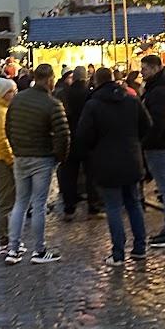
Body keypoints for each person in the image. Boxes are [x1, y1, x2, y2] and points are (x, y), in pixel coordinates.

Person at [75, 67, 149, 267]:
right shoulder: (131, 100)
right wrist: (134, 142)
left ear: (96, 82)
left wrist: (94, 149)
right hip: (132, 159)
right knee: (133, 203)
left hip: (106, 162)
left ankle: (118, 253)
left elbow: (83, 136)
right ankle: (140, 247)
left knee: (114, 207)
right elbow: (147, 125)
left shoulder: (93, 105)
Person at [4, 63, 69, 265]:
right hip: (42, 157)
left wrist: (16, 148)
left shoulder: (18, 99)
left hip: (21, 156)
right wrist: (59, 157)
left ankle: (13, 249)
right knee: (39, 204)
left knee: (20, 203)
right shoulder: (52, 104)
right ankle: (38, 250)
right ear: (50, 79)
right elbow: (63, 135)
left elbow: (9, 127)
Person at [140, 55, 165, 247]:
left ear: (155, 69)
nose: (142, 72)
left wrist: (146, 140)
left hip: (159, 144)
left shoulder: (159, 91)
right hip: (159, 143)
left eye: (145, 68)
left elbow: (157, 122)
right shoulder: (157, 88)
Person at [59, 66, 99, 220]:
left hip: (70, 138)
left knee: (69, 175)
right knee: (91, 174)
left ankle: (69, 208)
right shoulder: (90, 94)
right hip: (88, 139)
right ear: (85, 78)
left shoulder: (64, 93)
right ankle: (93, 206)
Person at [0, 78, 18, 255]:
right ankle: (4, 240)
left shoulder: (4, 110)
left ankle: (9, 238)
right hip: (3, 162)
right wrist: (12, 160)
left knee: (10, 201)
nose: (14, 94)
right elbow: (1, 140)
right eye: (11, 91)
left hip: (4, 160)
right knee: (6, 203)